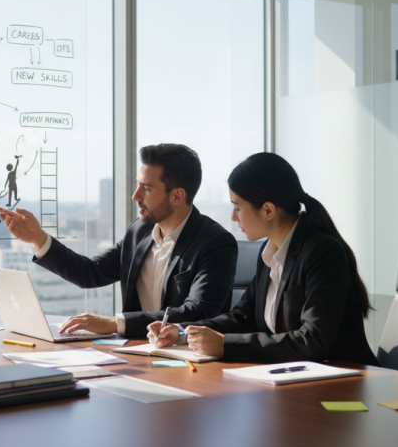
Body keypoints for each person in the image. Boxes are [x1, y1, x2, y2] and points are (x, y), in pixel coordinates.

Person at [148, 152, 378, 366]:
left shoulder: (322, 252)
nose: (233, 217)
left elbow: (313, 340)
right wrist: (181, 331)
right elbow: (243, 317)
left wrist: (224, 345)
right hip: (296, 379)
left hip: (343, 378)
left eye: (237, 207)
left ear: (268, 210)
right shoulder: (269, 252)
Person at [0, 143, 237, 339]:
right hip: (136, 352)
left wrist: (115, 323)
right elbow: (90, 272)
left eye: (146, 188)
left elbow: (197, 312)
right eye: (137, 185)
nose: (136, 196)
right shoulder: (140, 231)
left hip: (186, 358)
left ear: (177, 196)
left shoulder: (216, 243)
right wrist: (38, 238)